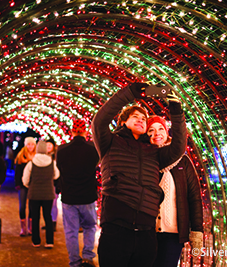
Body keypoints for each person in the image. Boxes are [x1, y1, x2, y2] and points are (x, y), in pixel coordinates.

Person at [92, 82, 187, 267]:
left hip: (146, 231)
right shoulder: (109, 142)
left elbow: (178, 147)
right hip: (116, 228)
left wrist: (175, 110)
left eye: (144, 118)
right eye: (135, 116)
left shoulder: (155, 152)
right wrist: (129, 93)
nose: (141, 119)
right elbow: (99, 121)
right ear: (122, 122)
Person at [146, 116, 203, 267]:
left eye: (160, 129)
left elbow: (194, 197)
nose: (156, 133)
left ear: (166, 132)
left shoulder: (183, 162)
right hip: (147, 232)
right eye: (150, 130)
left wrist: (197, 230)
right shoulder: (145, 161)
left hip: (173, 233)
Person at [57, 119, 99, 267]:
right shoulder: (93, 149)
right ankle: (88, 256)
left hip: (69, 197)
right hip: (88, 196)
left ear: (72, 131)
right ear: (86, 132)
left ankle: (74, 261)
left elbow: (60, 170)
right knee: (89, 227)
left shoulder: (61, 150)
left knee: (71, 232)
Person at [22, 141, 60, 248]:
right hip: (48, 193)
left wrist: (30, 185)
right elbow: (56, 175)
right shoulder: (52, 163)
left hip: (34, 193)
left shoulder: (31, 163)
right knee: (48, 216)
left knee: (35, 217)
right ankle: (49, 241)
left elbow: (25, 179)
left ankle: (36, 241)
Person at [14, 137, 36, 236]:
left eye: (32, 144)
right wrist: (17, 183)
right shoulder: (20, 156)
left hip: (33, 185)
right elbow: (17, 172)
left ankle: (30, 227)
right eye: (28, 144)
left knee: (32, 206)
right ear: (25, 145)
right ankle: (23, 228)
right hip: (22, 185)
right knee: (22, 206)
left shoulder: (37, 157)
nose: (30, 146)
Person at [44, 138, 59, 232]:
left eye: (50, 145)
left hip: (54, 183)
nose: (48, 146)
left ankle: (53, 222)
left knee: (53, 204)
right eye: (47, 145)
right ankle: (48, 222)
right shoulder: (43, 156)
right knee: (47, 204)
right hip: (45, 183)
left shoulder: (56, 157)